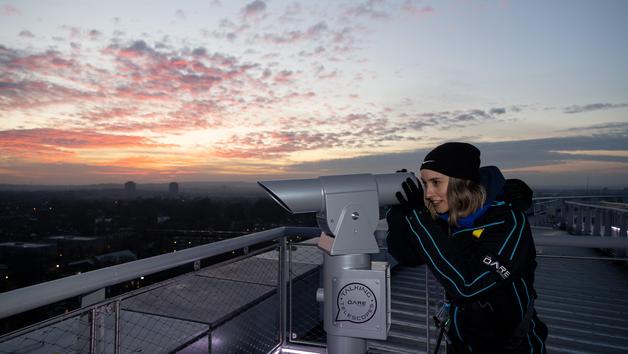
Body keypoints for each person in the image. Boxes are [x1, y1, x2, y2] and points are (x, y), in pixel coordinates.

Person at [386, 142, 548, 354]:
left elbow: (467, 284)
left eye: (436, 182)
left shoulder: (507, 223)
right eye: (425, 184)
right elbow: (408, 256)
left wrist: (417, 217)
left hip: (514, 347)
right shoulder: (450, 219)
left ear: (461, 183)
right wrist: (399, 214)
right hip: (463, 344)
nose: (428, 193)